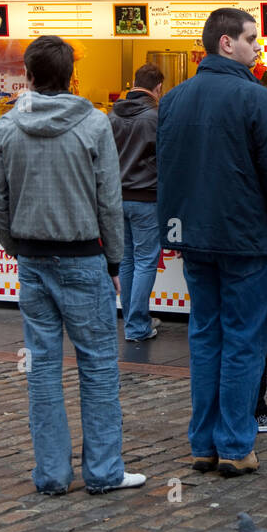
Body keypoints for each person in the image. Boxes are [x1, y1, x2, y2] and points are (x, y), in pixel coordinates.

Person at [0, 35, 144, 495]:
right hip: (83, 257)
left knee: (42, 369)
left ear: (30, 77)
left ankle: (52, 474)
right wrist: (115, 258)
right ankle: (103, 471)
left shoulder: (8, 127)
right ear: (71, 76)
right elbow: (109, 202)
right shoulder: (95, 125)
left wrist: (14, 245)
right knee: (97, 368)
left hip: (34, 259)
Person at [156, 8, 267, 477]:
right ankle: (236, 445)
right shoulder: (256, 99)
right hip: (244, 239)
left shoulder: (174, 100)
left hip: (196, 237)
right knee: (243, 340)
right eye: (251, 39)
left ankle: (204, 443)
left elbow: (166, 172)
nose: (258, 47)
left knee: (205, 337)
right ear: (226, 43)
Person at [109, 63, 165, 342]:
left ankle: (133, 320)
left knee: (128, 261)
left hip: (117, 198)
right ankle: (137, 324)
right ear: (158, 88)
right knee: (145, 262)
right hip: (146, 199)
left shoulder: (112, 115)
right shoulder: (155, 117)